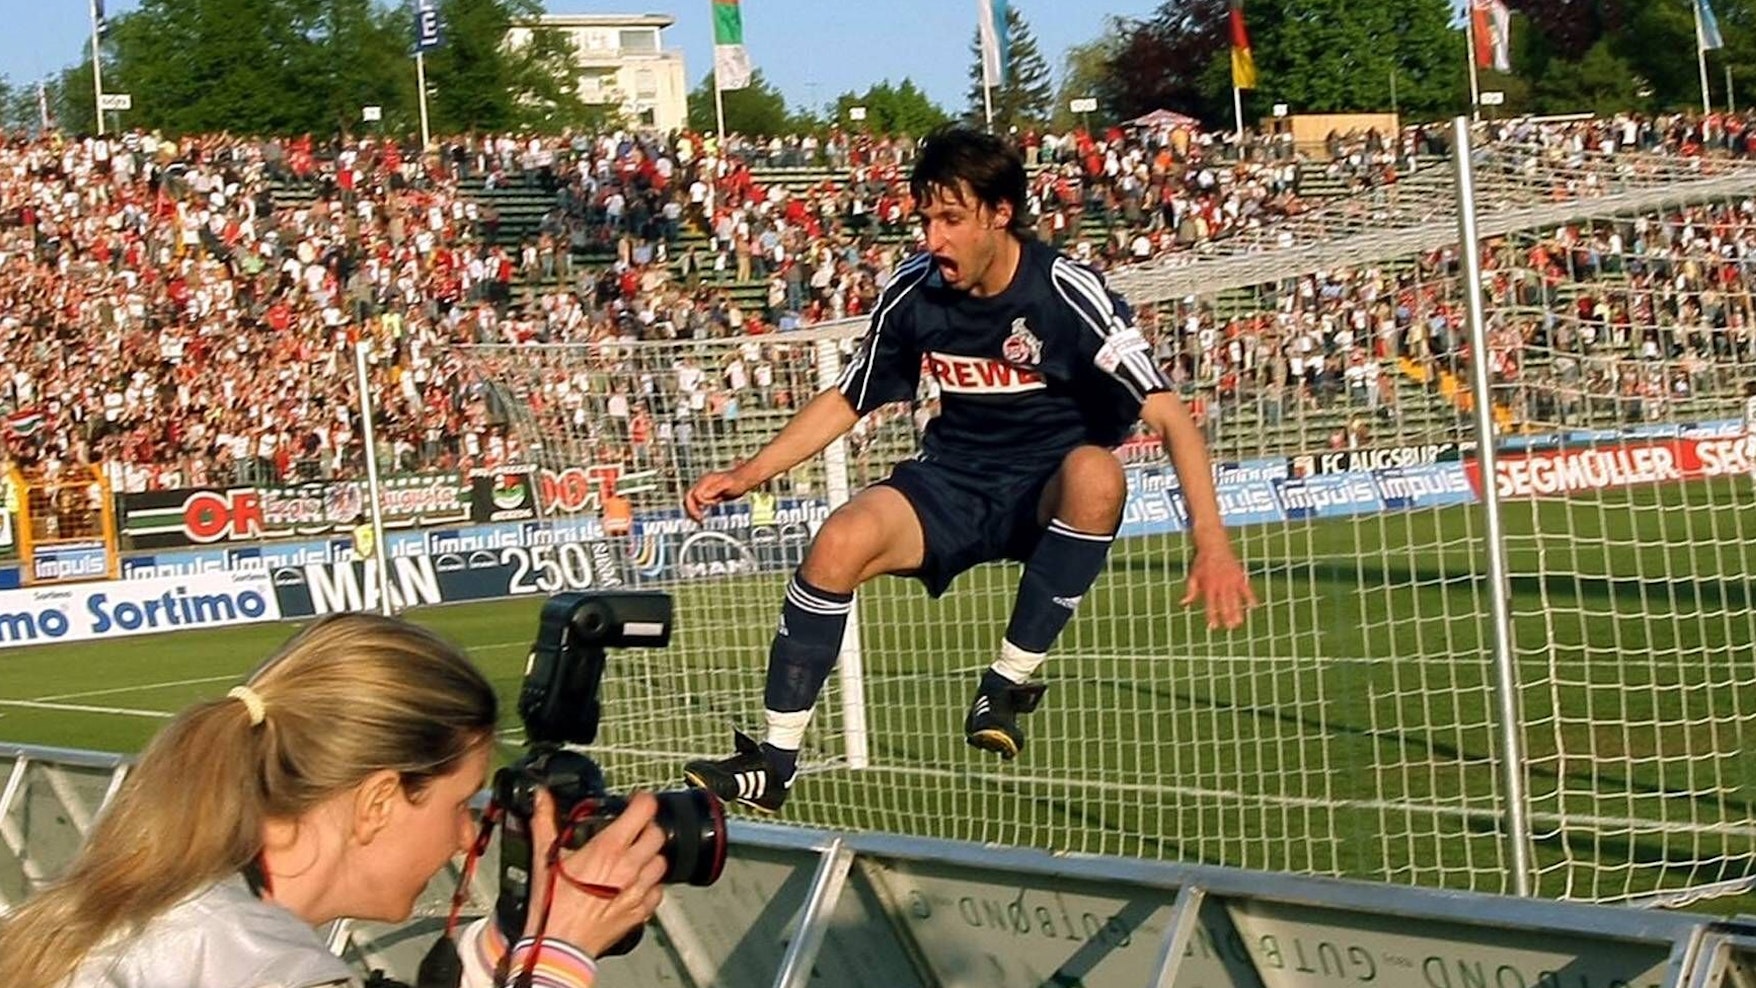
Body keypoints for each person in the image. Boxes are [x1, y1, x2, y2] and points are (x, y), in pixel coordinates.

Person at [680, 126, 1256, 813]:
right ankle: (772, 764)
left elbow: (1171, 417)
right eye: (925, 219)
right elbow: (849, 397)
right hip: (951, 484)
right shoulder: (916, 290)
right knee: (838, 540)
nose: (932, 238)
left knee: (1100, 473)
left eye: (950, 219)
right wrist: (749, 472)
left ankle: (1006, 685)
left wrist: (1212, 544)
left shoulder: (1067, 292)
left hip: (1046, 489)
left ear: (999, 214)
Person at [0, 613, 668, 988]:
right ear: (379, 799)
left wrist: (505, 953)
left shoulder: (188, 916)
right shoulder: (254, 964)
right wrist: (562, 954)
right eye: (457, 804)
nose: (467, 840)